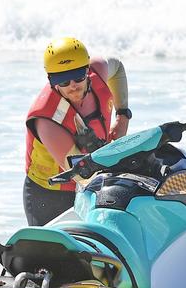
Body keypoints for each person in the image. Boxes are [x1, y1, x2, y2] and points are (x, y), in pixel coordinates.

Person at [24, 37, 132, 226]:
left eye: (78, 77)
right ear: (51, 80)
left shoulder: (98, 70)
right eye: (63, 81)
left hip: (93, 181)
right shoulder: (46, 121)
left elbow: (118, 67)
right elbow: (82, 176)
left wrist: (122, 116)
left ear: (87, 71)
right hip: (51, 196)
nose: (73, 85)